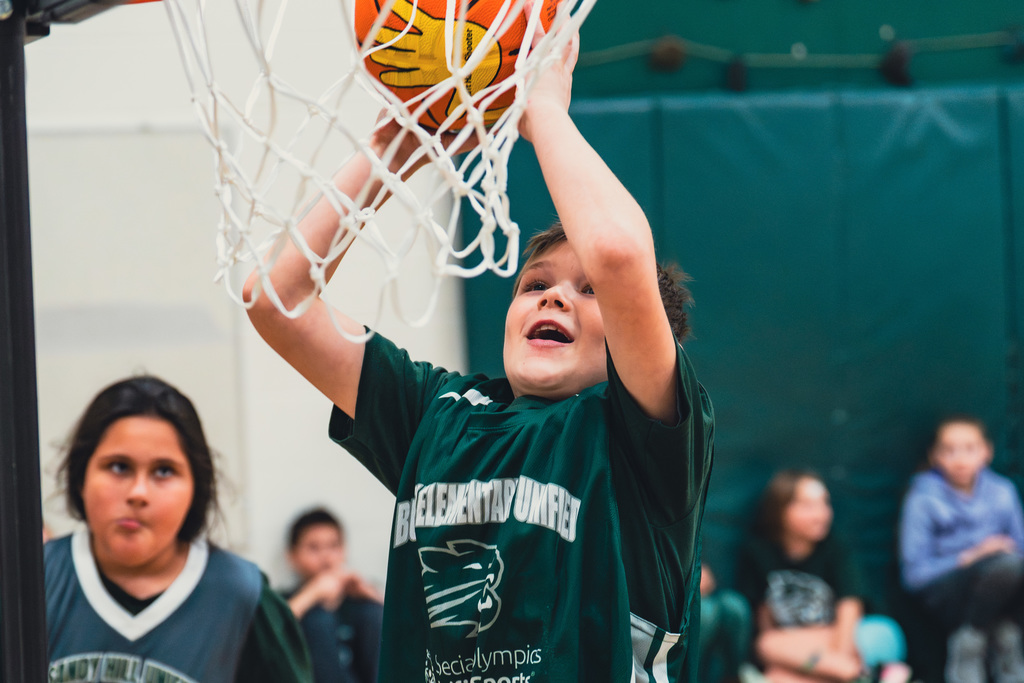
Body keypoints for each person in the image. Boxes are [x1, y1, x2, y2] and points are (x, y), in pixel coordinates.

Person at [243, 21, 714, 683]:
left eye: (591, 293)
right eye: (537, 285)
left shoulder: (641, 438)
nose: (554, 299)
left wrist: (542, 107)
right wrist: (394, 144)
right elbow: (274, 298)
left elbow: (618, 252)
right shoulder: (439, 415)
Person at [45, 375, 312, 683]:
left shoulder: (244, 597)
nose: (138, 492)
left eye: (163, 471)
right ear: (81, 478)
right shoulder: (32, 580)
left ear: (196, 488)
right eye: (119, 466)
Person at [737, 470, 908, 683]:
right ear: (780, 511)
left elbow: (850, 608)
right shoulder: (759, 552)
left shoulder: (836, 547)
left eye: (824, 503)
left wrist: (834, 661)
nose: (821, 514)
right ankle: (861, 675)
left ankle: (853, 672)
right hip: (805, 651)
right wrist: (815, 665)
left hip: (858, 636)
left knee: (772, 653)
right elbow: (765, 620)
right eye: (808, 505)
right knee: (772, 661)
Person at [899, 415, 1024, 683]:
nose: (960, 459)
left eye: (970, 448)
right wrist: (972, 557)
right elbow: (915, 576)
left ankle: (1006, 638)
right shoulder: (921, 499)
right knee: (1006, 567)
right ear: (935, 456)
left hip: (1004, 594)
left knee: (1010, 569)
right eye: (949, 450)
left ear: (987, 452)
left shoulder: (1003, 491)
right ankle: (969, 646)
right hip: (947, 595)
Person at [285, 507, 383, 683]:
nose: (326, 557)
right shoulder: (287, 600)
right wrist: (312, 594)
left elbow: (404, 629)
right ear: (292, 555)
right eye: (313, 548)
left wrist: (372, 595)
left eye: (334, 546)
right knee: (317, 620)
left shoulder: (362, 602)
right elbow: (269, 632)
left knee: (374, 613)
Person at [698, 560, 753, 683]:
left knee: (735, 606)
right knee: (705, 612)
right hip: (679, 599)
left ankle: (732, 677)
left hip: (711, 590)